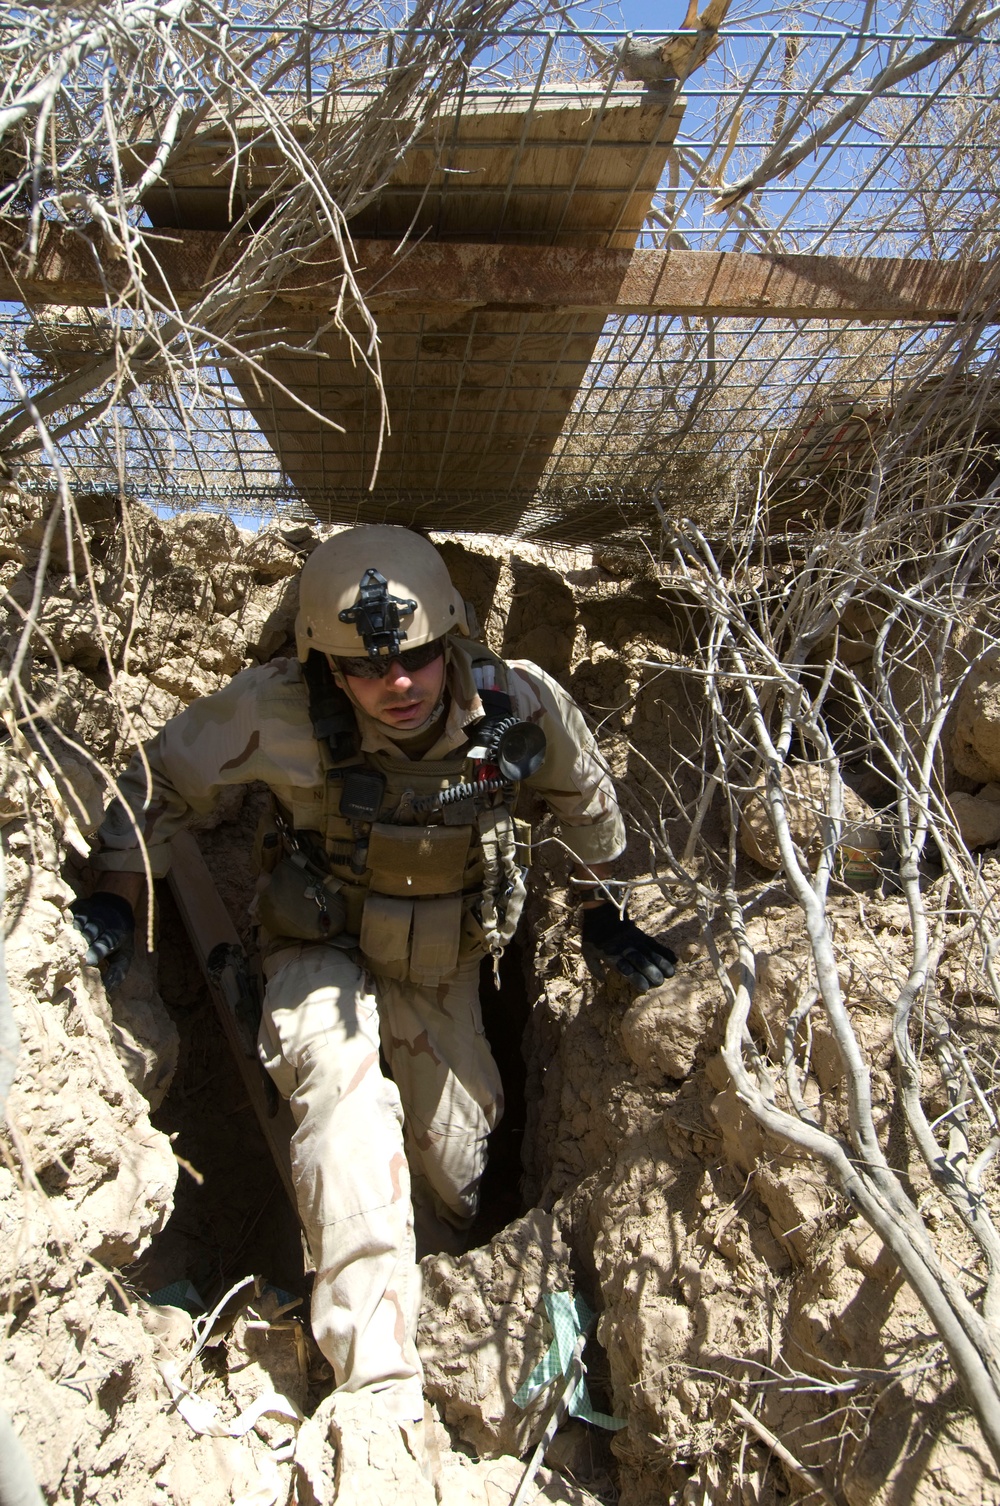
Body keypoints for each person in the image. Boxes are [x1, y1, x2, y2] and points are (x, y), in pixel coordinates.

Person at [69, 525, 677, 1433]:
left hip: (447, 963)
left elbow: (587, 804)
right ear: (326, 664)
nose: (396, 685)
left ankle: (438, 1292)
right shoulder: (275, 710)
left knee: (454, 1165)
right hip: (320, 951)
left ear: (455, 641)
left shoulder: (519, 705)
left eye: (420, 660)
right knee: (342, 1103)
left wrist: (600, 916)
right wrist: (121, 899)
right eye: (363, 669)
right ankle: (378, 1388)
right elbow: (150, 785)